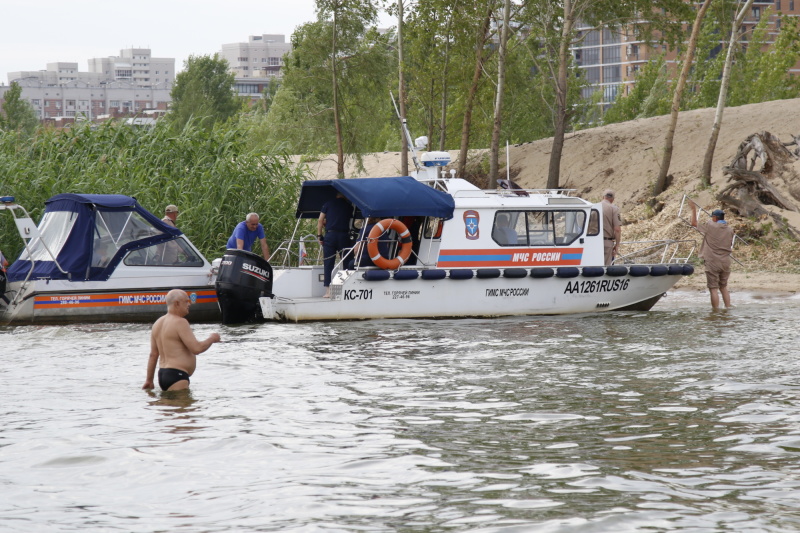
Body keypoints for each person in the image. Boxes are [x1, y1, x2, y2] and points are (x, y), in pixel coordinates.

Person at [142, 289, 221, 392]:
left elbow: (153, 354)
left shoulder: (157, 323)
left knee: (170, 408)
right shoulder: (180, 322)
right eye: (186, 301)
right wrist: (212, 338)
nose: (189, 304)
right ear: (177, 303)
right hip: (177, 376)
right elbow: (196, 348)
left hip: (163, 374)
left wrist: (149, 380)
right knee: (184, 407)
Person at [691, 203, 734, 310]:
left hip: (713, 261)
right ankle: (727, 308)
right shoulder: (730, 229)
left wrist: (693, 209)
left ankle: (715, 311)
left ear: (715, 218)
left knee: (713, 288)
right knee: (723, 287)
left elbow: (694, 223)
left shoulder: (711, 226)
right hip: (726, 261)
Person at [317, 193, 353, 297]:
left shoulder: (328, 204)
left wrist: (319, 235)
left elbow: (320, 220)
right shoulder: (349, 206)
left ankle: (328, 291)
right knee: (346, 262)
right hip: (344, 236)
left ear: (336, 194)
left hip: (330, 235)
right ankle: (346, 288)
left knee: (328, 263)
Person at [601, 189, 622, 265]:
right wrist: (617, 245)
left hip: (592, 242)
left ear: (603, 197)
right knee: (606, 269)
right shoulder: (614, 208)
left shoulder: (593, 207)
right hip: (606, 242)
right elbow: (617, 229)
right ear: (613, 199)